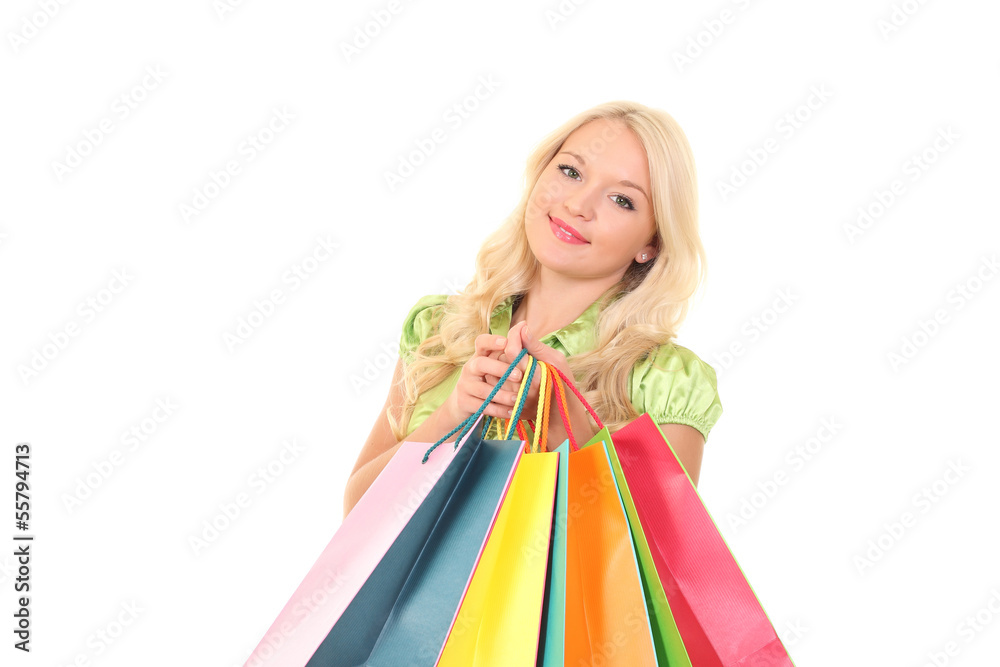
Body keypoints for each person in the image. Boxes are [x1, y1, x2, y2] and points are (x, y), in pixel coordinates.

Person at [343, 100, 723, 517]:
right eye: (571, 171)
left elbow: (661, 567)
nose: (579, 204)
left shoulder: (667, 383)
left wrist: (564, 422)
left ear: (652, 244)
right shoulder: (440, 329)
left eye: (621, 199)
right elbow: (356, 518)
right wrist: (455, 413)